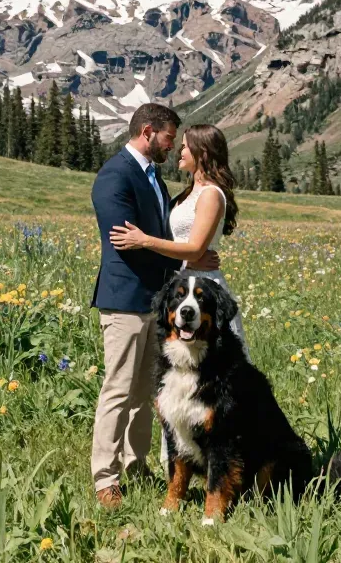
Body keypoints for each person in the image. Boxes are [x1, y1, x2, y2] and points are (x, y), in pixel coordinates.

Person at [89, 103, 221, 510]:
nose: (172, 146)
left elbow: (156, 235)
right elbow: (125, 242)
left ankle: (135, 463)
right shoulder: (115, 176)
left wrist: (188, 262)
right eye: (169, 137)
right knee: (118, 388)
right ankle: (105, 478)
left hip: (157, 301)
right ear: (148, 132)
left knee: (147, 390)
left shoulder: (154, 179)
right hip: (126, 299)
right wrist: (183, 261)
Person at [109, 123, 245, 468]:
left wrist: (145, 241)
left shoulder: (212, 194)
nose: (179, 152)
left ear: (201, 153)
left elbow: (197, 246)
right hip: (180, 288)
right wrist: (183, 258)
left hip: (203, 293)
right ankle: (178, 463)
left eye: (185, 147)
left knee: (215, 384)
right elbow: (187, 249)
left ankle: (222, 464)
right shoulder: (185, 193)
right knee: (176, 384)